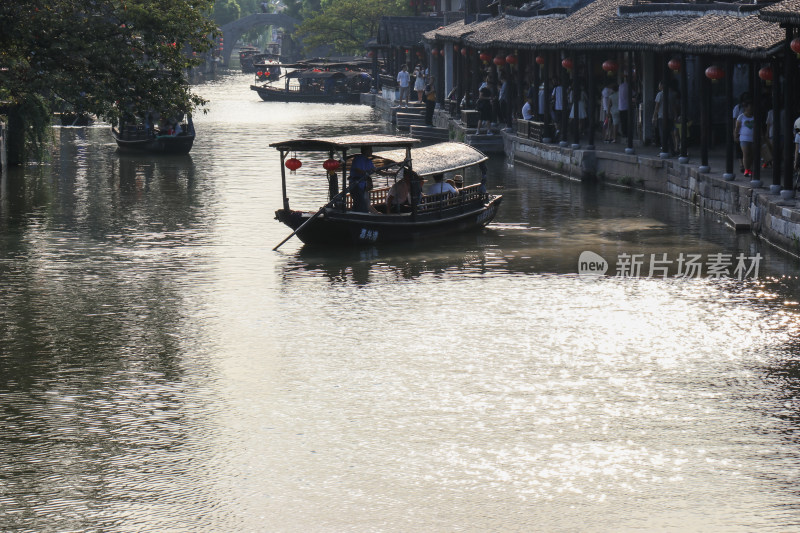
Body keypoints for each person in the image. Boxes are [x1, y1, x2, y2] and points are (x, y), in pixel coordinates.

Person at [348, 146, 377, 212]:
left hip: (363, 185)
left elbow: (376, 170)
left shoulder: (368, 161)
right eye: (370, 150)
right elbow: (358, 170)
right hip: (356, 184)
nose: (371, 152)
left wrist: (390, 174)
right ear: (365, 151)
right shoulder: (358, 158)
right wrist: (367, 174)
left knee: (364, 203)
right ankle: (358, 215)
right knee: (360, 204)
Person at [734, 101, 755, 178]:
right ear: (746, 108)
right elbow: (737, 127)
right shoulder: (741, 117)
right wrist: (736, 135)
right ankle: (746, 169)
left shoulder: (754, 117)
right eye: (750, 107)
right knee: (746, 153)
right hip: (744, 138)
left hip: (753, 138)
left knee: (752, 154)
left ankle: (749, 167)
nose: (751, 109)